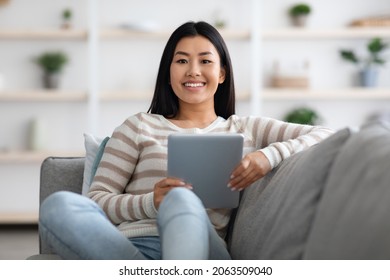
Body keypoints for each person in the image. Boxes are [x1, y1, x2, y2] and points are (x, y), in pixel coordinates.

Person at [39, 21, 334, 260]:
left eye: (204, 61)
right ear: (169, 74)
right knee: (58, 205)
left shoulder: (246, 128)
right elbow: (97, 200)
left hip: (201, 249)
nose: (193, 70)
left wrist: (266, 157)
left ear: (221, 74)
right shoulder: (138, 126)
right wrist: (151, 202)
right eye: (182, 61)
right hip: (129, 252)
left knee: (182, 197)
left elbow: (326, 133)